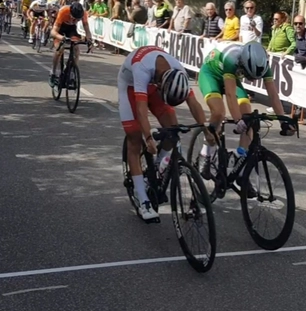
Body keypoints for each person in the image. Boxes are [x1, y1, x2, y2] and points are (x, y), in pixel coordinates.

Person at [118, 45, 210, 221]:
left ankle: (158, 169)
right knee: (135, 138)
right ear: (160, 85)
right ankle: (143, 200)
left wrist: (206, 130)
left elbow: (194, 103)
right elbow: (141, 110)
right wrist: (148, 137)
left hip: (156, 86)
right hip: (130, 86)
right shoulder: (141, 69)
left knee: (172, 130)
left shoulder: (178, 72)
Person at [198, 41, 296, 182]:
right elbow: (231, 95)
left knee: (248, 117)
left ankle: (239, 168)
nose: (250, 80)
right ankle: (206, 153)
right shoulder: (232, 58)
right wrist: (238, 120)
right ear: (243, 62)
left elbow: (273, 96)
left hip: (231, 77)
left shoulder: (263, 64)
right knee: (219, 112)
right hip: (211, 75)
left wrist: (283, 121)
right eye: (249, 76)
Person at [49, 2, 93, 87]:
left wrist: (90, 41)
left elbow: (87, 29)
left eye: (78, 19)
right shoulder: (63, 11)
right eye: (74, 18)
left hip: (71, 29)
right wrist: (62, 38)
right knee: (59, 49)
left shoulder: (83, 13)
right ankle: (53, 73)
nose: (76, 20)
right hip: (60, 28)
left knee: (76, 49)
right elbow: (53, 32)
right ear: (70, 13)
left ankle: (72, 72)